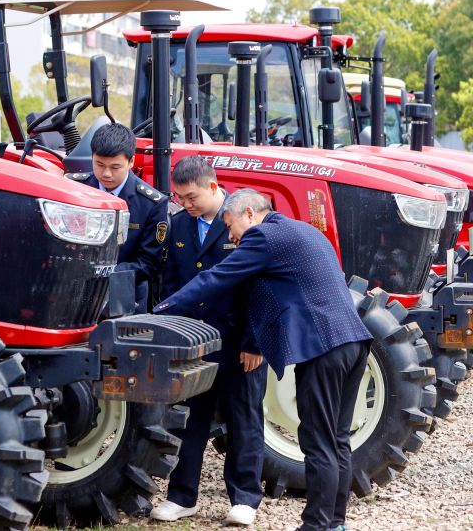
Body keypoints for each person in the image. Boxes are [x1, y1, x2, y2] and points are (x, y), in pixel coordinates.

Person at [154, 189, 373, 531]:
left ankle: (315, 526)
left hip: (324, 348)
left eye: (230, 226)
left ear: (250, 214)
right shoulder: (306, 231)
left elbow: (216, 277)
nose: (230, 237)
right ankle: (334, 523)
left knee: (317, 441)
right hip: (355, 341)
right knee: (337, 439)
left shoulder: (263, 237)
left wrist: (162, 310)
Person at [150, 157, 266, 526]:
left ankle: (244, 498)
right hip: (194, 341)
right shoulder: (180, 225)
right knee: (188, 419)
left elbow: (259, 289)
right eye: (180, 198)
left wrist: (254, 342)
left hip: (239, 341)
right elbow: (172, 283)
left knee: (243, 417)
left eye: (192, 197)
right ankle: (181, 497)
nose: (186, 204)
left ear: (213, 187)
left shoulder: (243, 221)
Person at [68, 123, 167, 312]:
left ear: (131, 162)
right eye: (99, 165)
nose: (106, 174)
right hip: (73, 289)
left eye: (115, 167)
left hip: (124, 295)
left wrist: (101, 273)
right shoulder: (74, 189)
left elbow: (148, 263)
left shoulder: (151, 203)